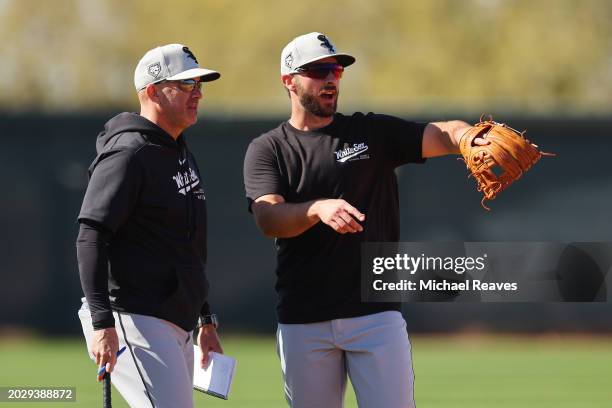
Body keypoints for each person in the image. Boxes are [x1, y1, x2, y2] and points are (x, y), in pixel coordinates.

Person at [243, 32, 487, 408]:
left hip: (375, 315)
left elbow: (441, 133)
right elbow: (268, 218)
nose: (331, 78)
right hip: (304, 317)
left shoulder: (370, 133)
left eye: (336, 69)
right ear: (288, 81)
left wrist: (467, 135)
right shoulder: (269, 148)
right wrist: (316, 209)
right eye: (319, 70)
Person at [77, 43, 223, 408]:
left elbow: (185, 246)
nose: (198, 94)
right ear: (153, 91)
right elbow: (90, 235)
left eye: (199, 85)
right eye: (186, 85)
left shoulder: (179, 151)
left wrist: (205, 318)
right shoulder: (129, 154)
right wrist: (102, 323)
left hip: (175, 319)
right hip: (133, 317)